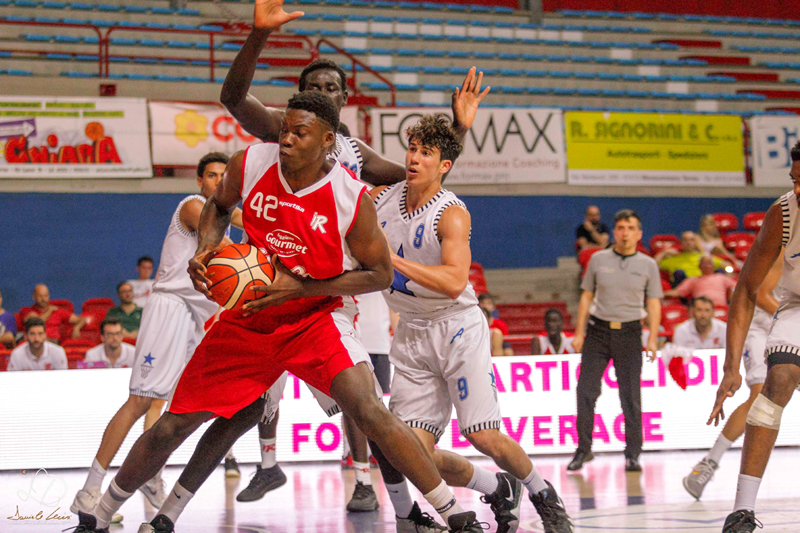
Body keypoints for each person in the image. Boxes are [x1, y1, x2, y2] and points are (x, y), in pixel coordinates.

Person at [75, 93, 479, 533]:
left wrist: (302, 288)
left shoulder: (351, 197)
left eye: (298, 132)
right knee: (174, 425)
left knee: (369, 410)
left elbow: (379, 274)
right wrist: (208, 248)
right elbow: (219, 206)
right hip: (251, 315)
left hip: (316, 314)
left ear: (327, 140)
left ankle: (453, 514)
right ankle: (97, 513)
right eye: (284, 128)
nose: (285, 138)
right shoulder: (249, 162)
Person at [219, 0, 487, 514]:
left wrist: (459, 128)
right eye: (313, 86)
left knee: (366, 407)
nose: (321, 94)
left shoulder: (355, 153)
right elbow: (233, 96)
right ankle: (267, 463)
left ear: (344, 98)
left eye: (330, 88)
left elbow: (426, 175)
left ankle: (375, 487)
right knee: (261, 392)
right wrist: (257, 35)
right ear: (299, 95)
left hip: (337, 292)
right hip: (276, 284)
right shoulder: (285, 130)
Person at [370, 113, 573, 533]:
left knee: (483, 435)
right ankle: (497, 488)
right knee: (409, 454)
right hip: (412, 331)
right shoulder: (381, 200)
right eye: (412, 149)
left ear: (444, 165)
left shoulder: (451, 214)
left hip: (457, 327)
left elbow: (454, 281)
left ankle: (542, 494)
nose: (414, 158)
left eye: (426, 153)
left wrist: (389, 259)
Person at [69, 152, 237, 524]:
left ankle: (150, 477)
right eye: (211, 176)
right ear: (199, 181)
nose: (217, 182)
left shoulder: (230, 224)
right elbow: (223, 243)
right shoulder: (192, 206)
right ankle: (89, 491)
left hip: (196, 315)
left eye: (225, 177)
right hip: (169, 307)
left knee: (167, 404)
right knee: (139, 402)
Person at [709, 142, 800, 533]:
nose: (798, 189)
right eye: (795, 180)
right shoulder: (784, 212)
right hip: (797, 306)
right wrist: (730, 368)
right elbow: (746, 289)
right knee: (776, 382)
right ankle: (741, 512)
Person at [569, 209, 663, 472]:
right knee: (586, 391)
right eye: (621, 227)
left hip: (631, 332)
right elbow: (586, 296)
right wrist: (579, 333)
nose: (625, 233)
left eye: (631, 228)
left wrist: (653, 338)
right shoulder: (598, 259)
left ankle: (633, 453)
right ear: (614, 232)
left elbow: (654, 303)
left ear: (639, 234)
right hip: (598, 332)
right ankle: (583, 450)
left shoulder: (648, 264)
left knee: (630, 395)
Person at [683, 254, 781, 501]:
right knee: (760, 396)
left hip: (788, 327)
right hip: (761, 328)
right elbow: (760, 294)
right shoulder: (786, 246)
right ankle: (709, 463)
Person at [656, 231, 729, 287]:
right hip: (684, 291)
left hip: (703, 286)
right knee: (679, 273)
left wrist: (727, 280)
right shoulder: (674, 258)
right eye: (686, 240)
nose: (689, 243)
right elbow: (653, 265)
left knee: (720, 271)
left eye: (691, 240)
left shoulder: (704, 257)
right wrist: (664, 252)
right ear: (681, 242)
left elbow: (728, 267)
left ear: (696, 242)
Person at [19, 284, 85, 343]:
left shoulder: (57, 311)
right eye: (40, 296)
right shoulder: (26, 311)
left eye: (46, 296)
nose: (43, 299)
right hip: (33, 341)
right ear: (34, 297)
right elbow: (37, 323)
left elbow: (82, 319)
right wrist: (49, 311)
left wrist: (77, 328)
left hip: (52, 342)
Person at [664, 255, 737, 307]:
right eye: (704, 263)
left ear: (713, 266)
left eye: (709, 263)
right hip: (700, 310)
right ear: (699, 266)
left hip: (720, 308)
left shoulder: (722, 278)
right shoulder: (693, 280)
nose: (707, 266)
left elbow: (737, 288)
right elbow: (678, 292)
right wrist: (661, 294)